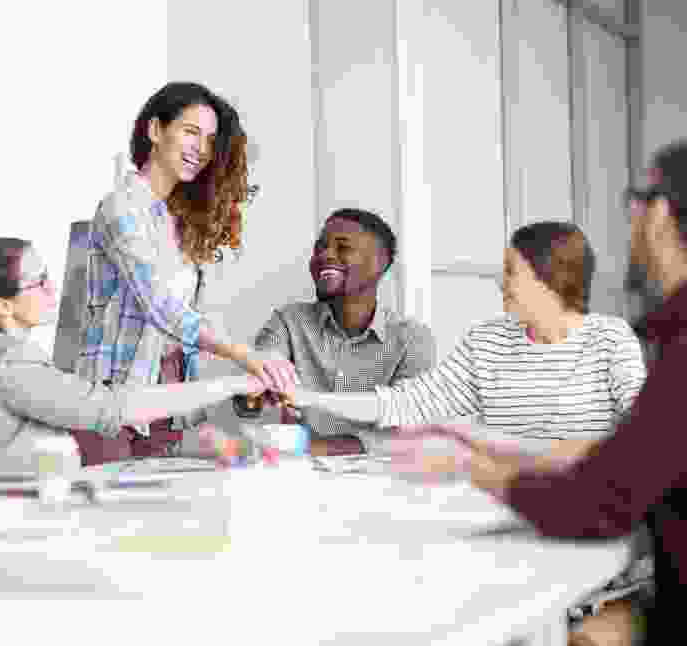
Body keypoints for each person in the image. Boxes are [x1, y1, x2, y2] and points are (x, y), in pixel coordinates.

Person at [381, 140, 687, 646]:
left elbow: (601, 498)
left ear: (661, 214)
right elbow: (640, 455)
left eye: (637, 200)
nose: (500, 286)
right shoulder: (488, 340)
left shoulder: (637, 342)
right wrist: (496, 449)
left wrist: (469, 465)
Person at [292, 221, 646, 469]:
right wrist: (309, 398)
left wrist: (508, 448)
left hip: (588, 498)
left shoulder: (610, 338)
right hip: (511, 499)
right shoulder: (488, 341)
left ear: (549, 277)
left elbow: (644, 430)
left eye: (511, 271)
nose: (500, 282)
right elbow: (404, 403)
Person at [0, 238, 266, 484]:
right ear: (3, 306)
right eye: (39, 281)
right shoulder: (7, 362)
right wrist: (233, 384)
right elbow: (116, 407)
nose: (52, 289)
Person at [72, 82, 296, 465]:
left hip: (170, 393)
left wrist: (250, 376)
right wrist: (246, 356)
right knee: (112, 500)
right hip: (114, 395)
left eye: (210, 140)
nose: (202, 149)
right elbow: (161, 307)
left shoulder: (177, 219)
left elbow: (191, 317)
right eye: (191, 132)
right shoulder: (121, 208)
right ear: (155, 130)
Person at [251, 208, 436, 456]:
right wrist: (258, 379)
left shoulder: (413, 340)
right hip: (300, 473)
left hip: (382, 476)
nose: (325, 255)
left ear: (380, 263)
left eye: (343, 247)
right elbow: (257, 375)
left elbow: (409, 430)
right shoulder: (288, 321)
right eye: (320, 248)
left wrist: (314, 447)